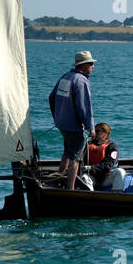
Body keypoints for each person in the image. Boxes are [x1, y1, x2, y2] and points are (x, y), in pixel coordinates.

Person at [49, 50, 96, 190]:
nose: (93, 66)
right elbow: (84, 107)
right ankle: (70, 188)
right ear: (83, 66)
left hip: (62, 124)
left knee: (67, 150)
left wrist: (57, 117)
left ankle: (60, 174)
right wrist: (90, 127)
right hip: (74, 126)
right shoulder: (82, 81)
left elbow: (51, 97)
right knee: (76, 157)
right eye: (91, 63)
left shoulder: (66, 76)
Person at [84, 122, 125, 191]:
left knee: (120, 171)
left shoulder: (112, 147)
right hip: (92, 176)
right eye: (95, 131)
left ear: (106, 133)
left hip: (107, 177)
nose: (96, 133)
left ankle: (117, 193)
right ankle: (90, 195)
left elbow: (108, 165)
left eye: (98, 131)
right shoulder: (88, 145)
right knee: (84, 177)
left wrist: (91, 168)